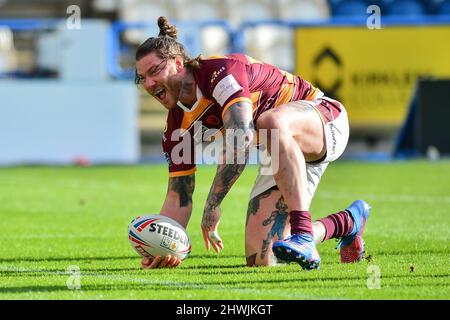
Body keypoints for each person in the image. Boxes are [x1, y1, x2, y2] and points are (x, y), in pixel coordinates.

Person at [135, 17, 371, 270]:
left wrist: (213, 205)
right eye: (142, 78)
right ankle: (346, 222)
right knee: (263, 258)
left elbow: (242, 136)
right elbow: (178, 197)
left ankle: (302, 234)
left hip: (323, 121)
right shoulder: (176, 127)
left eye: (154, 71)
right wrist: (163, 246)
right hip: (279, 154)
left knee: (270, 122)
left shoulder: (220, 72)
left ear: (178, 63)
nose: (148, 84)